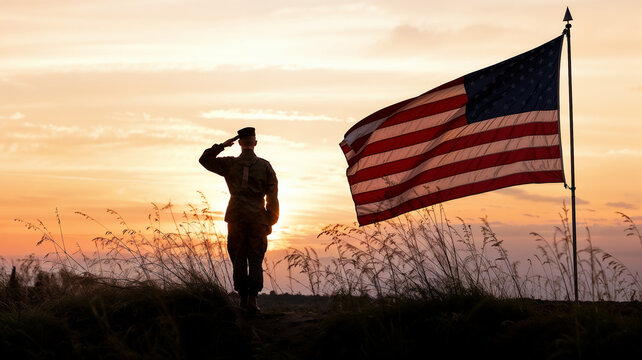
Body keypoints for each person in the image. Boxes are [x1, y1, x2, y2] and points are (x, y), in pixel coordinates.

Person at [199, 127, 279, 312]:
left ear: (240, 143)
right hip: (258, 219)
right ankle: (252, 301)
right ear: (255, 143)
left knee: (239, 258)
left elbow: (204, 160)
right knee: (256, 259)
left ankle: (243, 300)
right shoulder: (265, 166)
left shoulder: (230, 164)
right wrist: (270, 220)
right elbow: (273, 196)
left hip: (236, 217)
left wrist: (221, 146)